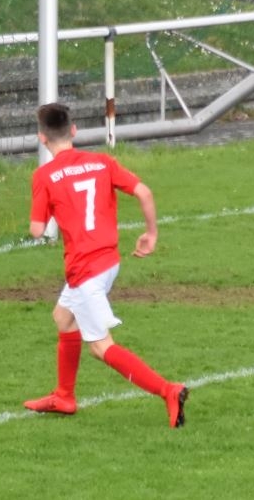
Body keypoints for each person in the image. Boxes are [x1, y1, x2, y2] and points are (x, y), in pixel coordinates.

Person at [23, 103, 188, 428]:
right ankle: (64, 396)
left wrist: (53, 207)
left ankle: (168, 390)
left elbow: (37, 230)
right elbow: (144, 192)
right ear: (74, 130)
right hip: (108, 262)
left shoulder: (44, 176)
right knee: (63, 318)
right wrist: (151, 234)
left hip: (85, 271)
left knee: (101, 347)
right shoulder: (102, 162)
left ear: (42, 138)